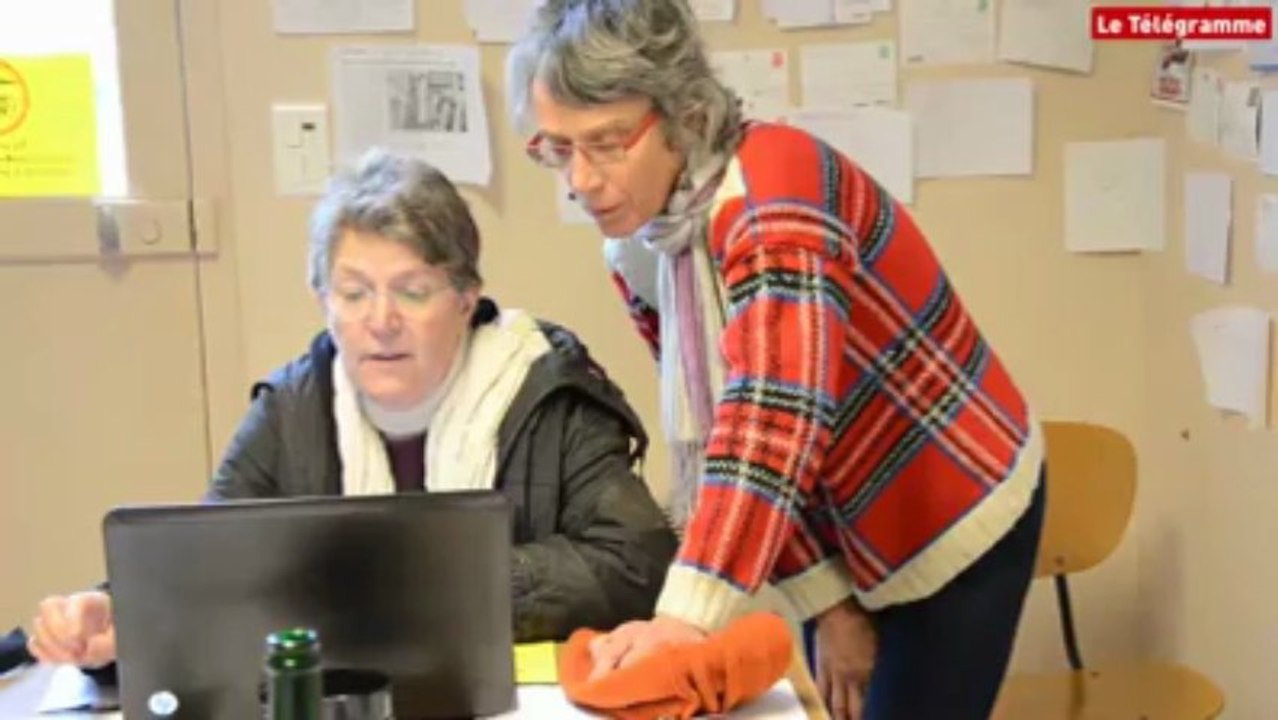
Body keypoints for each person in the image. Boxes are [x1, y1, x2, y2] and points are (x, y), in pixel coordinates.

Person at [505, 2, 1047, 719]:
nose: (580, 180)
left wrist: (683, 620)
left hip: (949, 502)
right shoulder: (644, 246)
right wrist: (830, 605)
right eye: (558, 148)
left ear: (682, 112)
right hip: (836, 506)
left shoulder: (774, 200)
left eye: (606, 143)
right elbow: (729, 422)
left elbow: (773, 421)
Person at [25, 149, 678, 675]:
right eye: (354, 292)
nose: (381, 322)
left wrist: (418, 576)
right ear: (322, 300)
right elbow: (206, 567)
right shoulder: (293, 408)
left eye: (413, 291)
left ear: (465, 298)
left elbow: (637, 567)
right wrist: (116, 618)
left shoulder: (550, 394)